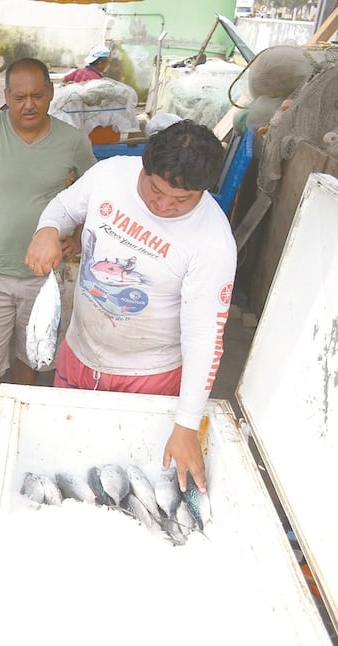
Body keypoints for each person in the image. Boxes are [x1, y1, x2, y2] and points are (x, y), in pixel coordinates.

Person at [25, 119, 235, 494]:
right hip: (78, 354)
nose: (164, 205)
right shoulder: (110, 174)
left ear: (204, 190)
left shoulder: (213, 242)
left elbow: (205, 338)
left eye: (181, 199)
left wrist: (186, 425)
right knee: (68, 463)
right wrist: (47, 230)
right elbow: (62, 207)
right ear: (144, 166)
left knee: (128, 479)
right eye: (155, 190)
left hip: (149, 377)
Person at [0, 58, 97, 481]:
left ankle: (17, 443)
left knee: (29, 362)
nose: (28, 105)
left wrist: (77, 236)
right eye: (19, 97)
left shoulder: (72, 141)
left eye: (37, 95)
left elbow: (96, 198)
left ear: (50, 93)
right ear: (6, 97)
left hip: (44, 279)